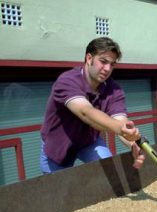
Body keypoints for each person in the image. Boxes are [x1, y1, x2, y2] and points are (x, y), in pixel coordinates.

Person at [40, 37, 145, 174]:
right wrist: (122, 129)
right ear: (89, 58)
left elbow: (120, 121)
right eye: (103, 61)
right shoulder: (67, 81)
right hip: (58, 145)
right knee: (59, 191)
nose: (107, 69)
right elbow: (85, 111)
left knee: (109, 170)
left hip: (88, 142)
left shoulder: (114, 90)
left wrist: (133, 143)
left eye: (112, 64)